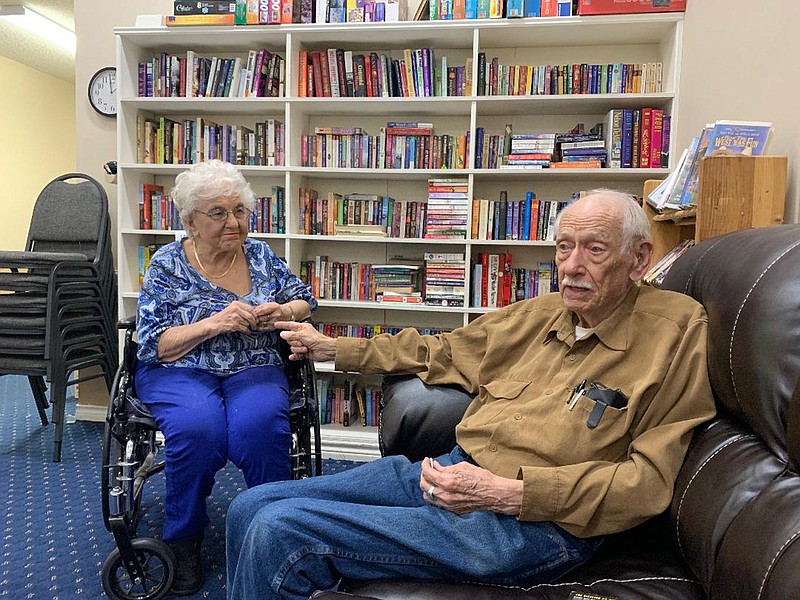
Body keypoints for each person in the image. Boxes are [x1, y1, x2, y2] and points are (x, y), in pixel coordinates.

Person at [225, 189, 716, 600]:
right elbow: (442, 351)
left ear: (639, 258)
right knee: (248, 507)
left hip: (532, 524)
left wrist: (513, 494)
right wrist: (335, 348)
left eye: (595, 249)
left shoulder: (674, 332)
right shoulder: (541, 314)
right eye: (564, 247)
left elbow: (647, 482)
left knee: (281, 530)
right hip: (451, 472)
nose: (571, 267)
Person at [135, 159, 317, 596]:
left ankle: (273, 532)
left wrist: (283, 312)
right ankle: (184, 538)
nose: (233, 222)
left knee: (258, 429)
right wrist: (213, 323)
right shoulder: (166, 263)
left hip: (253, 365)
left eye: (239, 210)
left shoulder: (259, 255)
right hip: (179, 369)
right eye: (218, 213)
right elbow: (154, 343)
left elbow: (305, 301)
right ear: (190, 221)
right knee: (199, 430)